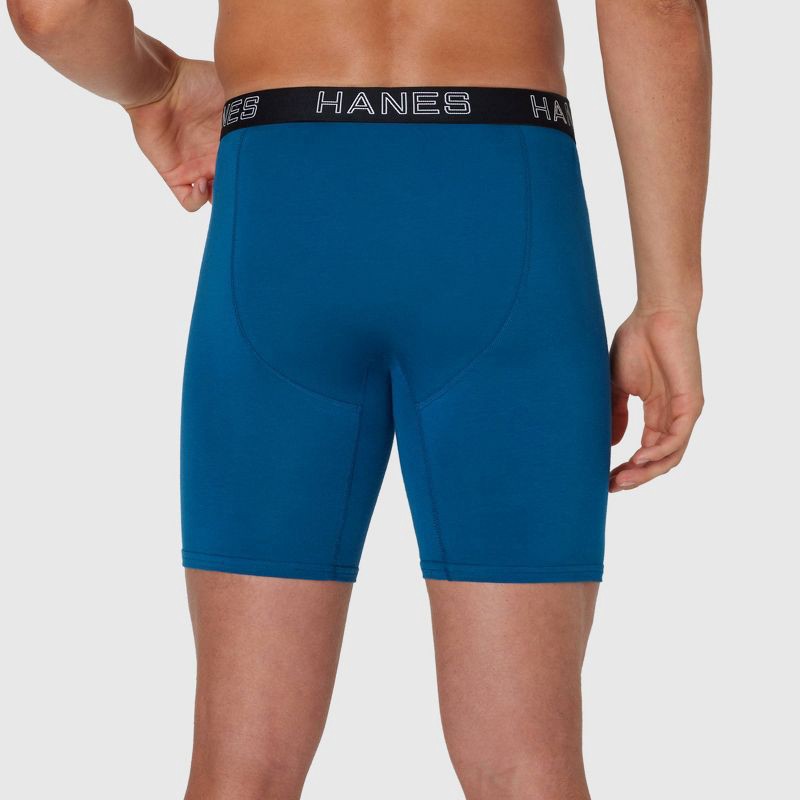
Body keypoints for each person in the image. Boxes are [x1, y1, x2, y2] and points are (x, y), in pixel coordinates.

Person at [8, 0, 710, 797]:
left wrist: (156, 85)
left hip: (284, 200)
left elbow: (52, 15)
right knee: (526, 767)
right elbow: (654, 9)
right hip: (500, 205)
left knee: (242, 770)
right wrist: (668, 302)